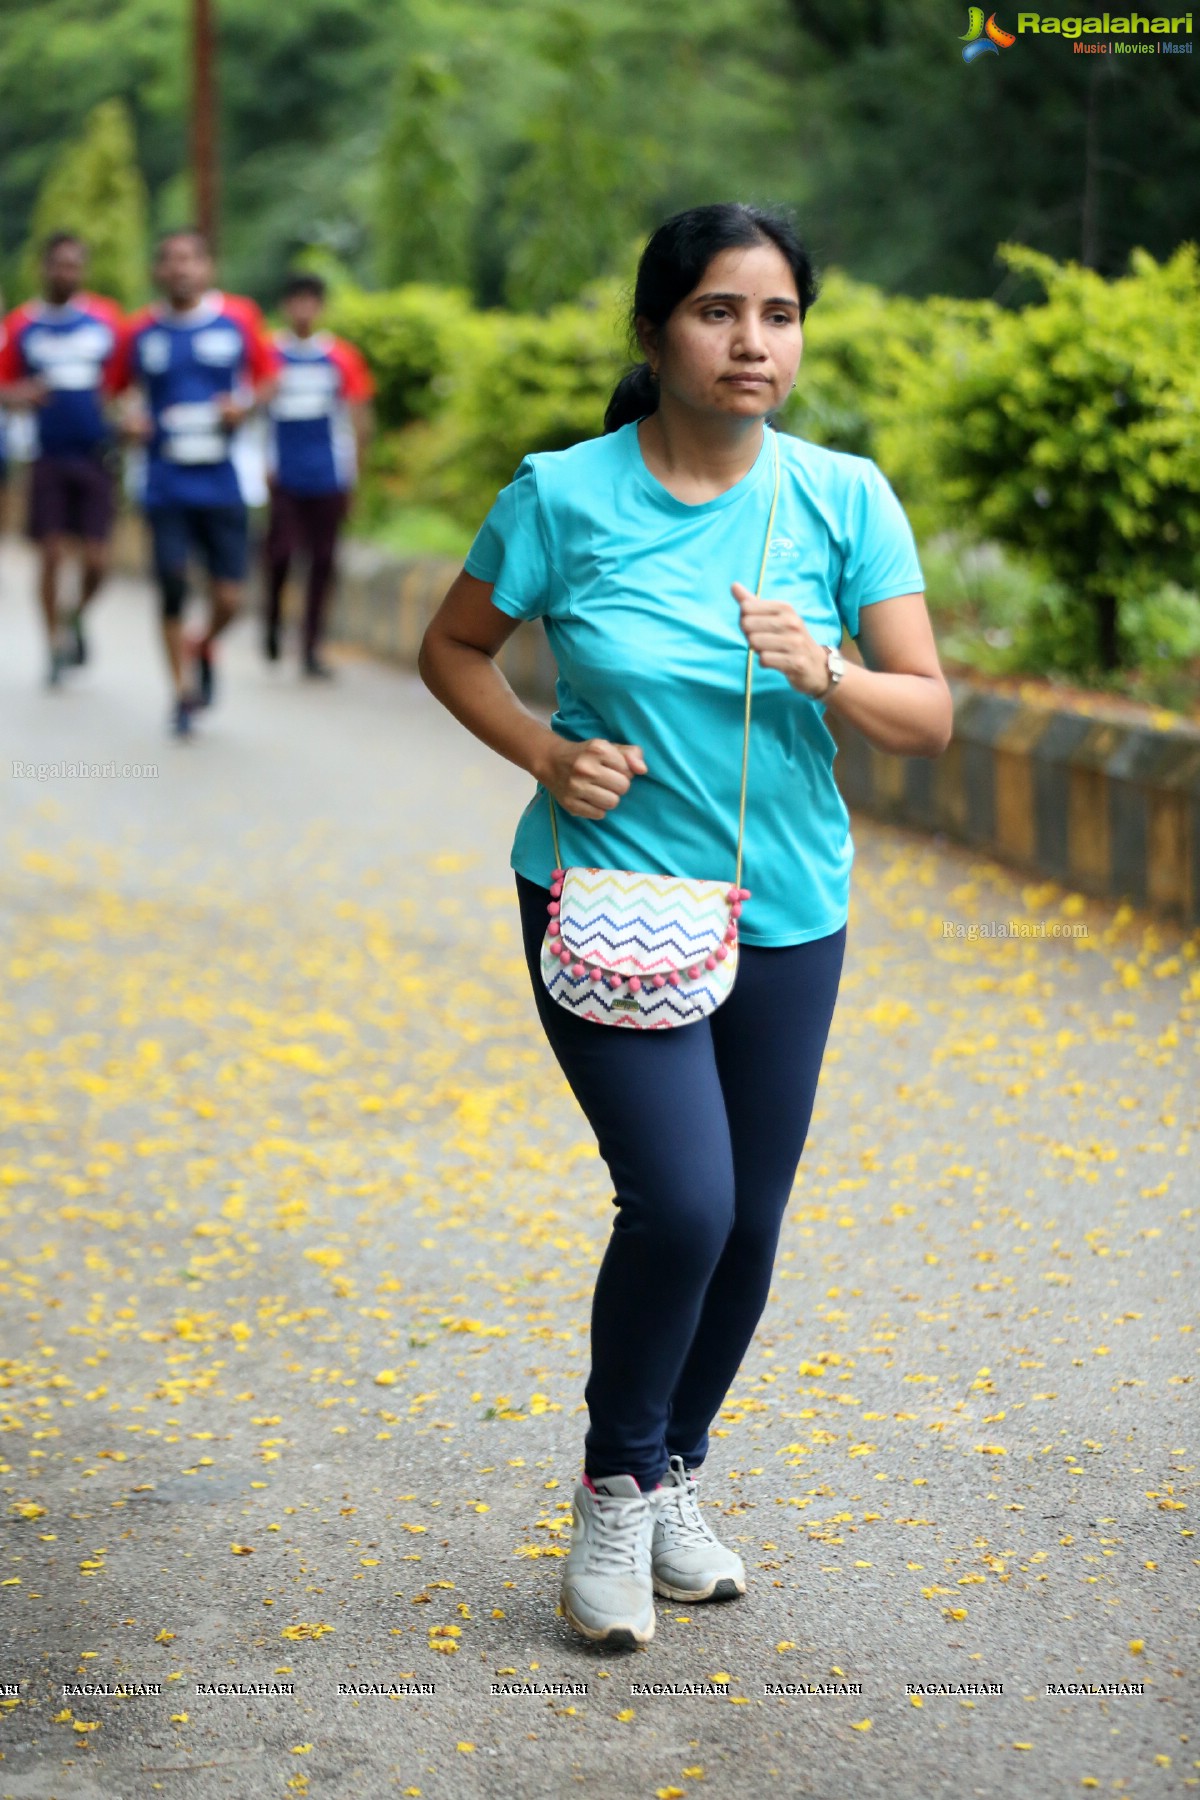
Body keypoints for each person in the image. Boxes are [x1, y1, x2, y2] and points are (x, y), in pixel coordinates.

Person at [418, 202, 953, 1650]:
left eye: (778, 315)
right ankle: (612, 1488)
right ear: (655, 331)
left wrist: (828, 669)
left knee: (754, 1224)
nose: (751, 343)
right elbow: (453, 648)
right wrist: (542, 752)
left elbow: (928, 717)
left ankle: (674, 1477)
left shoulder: (846, 499)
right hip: (603, 896)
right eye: (720, 312)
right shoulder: (563, 496)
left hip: (788, 908)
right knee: (684, 1203)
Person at [109, 228, 277, 737]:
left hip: (222, 480)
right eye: (172, 261)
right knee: (173, 585)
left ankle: (203, 644)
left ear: (208, 268)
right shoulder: (139, 332)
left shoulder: (239, 320)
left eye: (191, 260)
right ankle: (182, 695)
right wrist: (129, 421)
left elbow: (270, 380)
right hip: (164, 483)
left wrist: (242, 407)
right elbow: (115, 393)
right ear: (158, 272)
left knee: (231, 599)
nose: (182, 269)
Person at [0, 233, 122, 686]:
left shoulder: (105, 321)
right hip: (45, 455)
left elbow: (122, 383)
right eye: (58, 265)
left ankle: (75, 617)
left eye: (74, 265)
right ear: (44, 268)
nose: (65, 273)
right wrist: (21, 396)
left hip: (95, 456)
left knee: (97, 560)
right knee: (50, 555)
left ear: (83, 270)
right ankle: (52, 645)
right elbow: (4, 385)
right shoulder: (22, 325)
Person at [262, 272, 374, 678]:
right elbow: (254, 412)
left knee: (323, 562)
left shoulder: (340, 357)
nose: (303, 309)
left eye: (311, 301)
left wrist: (356, 473)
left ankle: (311, 646)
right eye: (297, 301)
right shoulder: (267, 354)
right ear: (286, 306)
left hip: (328, 475)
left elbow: (358, 416)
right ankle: (272, 620)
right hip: (283, 476)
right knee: (280, 554)